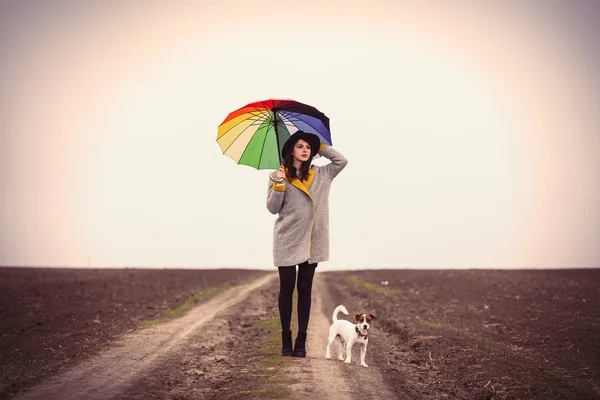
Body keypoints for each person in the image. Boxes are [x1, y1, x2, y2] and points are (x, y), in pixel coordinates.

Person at [266, 130, 348, 357]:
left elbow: (342, 160)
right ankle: (285, 339)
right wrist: (280, 184)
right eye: (300, 146)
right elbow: (273, 208)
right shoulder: (277, 175)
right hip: (287, 238)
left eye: (308, 147)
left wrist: (319, 142)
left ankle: (301, 341)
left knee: (305, 289)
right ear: (291, 149)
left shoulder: (322, 174)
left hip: (313, 239)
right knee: (286, 289)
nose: (305, 150)